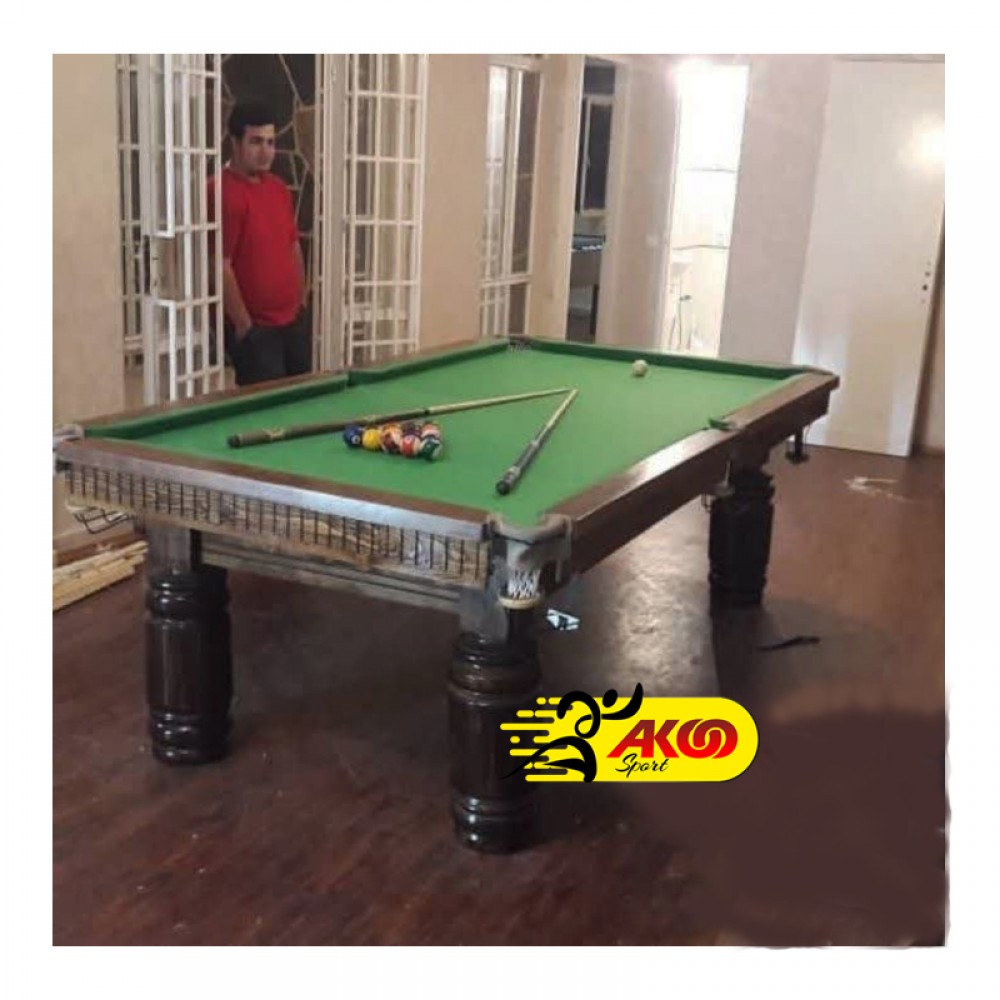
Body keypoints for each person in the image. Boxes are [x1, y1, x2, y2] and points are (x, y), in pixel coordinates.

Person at [211, 101, 310, 386]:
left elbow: (293, 245)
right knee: (269, 409)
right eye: (255, 142)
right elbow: (219, 264)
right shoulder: (220, 192)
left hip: (292, 321)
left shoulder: (278, 189)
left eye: (270, 142)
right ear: (235, 143)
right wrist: (244, 325)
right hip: (258, 330)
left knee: (304, 400)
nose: (265, 151)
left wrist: (301, 302)